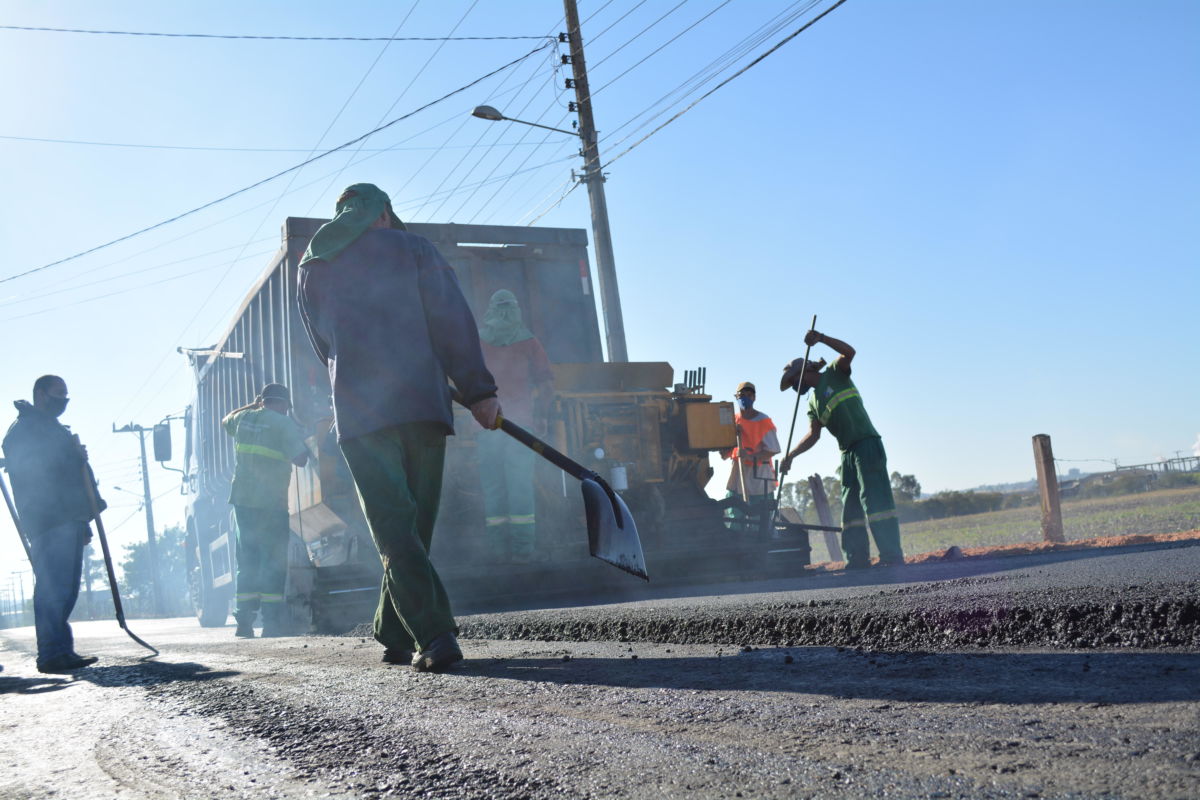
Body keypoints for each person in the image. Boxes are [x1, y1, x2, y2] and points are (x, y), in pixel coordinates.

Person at [297, 183, 500, 672]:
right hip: (423, 405)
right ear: (384, 214)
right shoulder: (415, 249)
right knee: (412, 527)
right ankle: (434, 632)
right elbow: (451, 319)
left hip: (362, 412)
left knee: (396, 528)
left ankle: (395, 629)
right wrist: (478, 390)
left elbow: (323, 344)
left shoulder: (315, 264)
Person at [2, 375, 105, 673]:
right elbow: (35, 470)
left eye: (66, 395)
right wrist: (71, 456)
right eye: (58, 394)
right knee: (53, 588)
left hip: (68, 517)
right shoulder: (23, 430)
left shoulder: (53, 429)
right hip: (48, 517)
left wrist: (83, 519)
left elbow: (71, 480)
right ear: (40, 394)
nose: (63, 401)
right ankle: (49, 654)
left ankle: (61, 650)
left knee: (67, 588)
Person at [779, 330, 904, 568]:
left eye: (794, 381)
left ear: (804, 372)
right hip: (847, 454)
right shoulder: (813, 402)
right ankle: (857, 560)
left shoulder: (835, 374)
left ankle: (891, 557)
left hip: (866, 443)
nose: (795, 387)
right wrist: (791, 455)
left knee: (876, 503)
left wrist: (822, 339)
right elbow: (813, 435)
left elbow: (850, 352)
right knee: (852, 508)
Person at [222, 383, 310, 638]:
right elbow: (301, 460)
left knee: (247, 560)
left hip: (243, 502)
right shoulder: (284, 424)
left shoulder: (243, 418)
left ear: (263, 400)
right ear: (284, 405)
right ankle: (271, 623)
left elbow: (224, 419)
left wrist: (253, 404)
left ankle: (244, 623)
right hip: (271, 505)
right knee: (272, 560)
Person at [477, 290, 555, 564]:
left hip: (485, 426)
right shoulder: (528, 342)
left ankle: (498, 549)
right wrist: (542, 416)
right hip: (520, 426)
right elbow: (546, 384)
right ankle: (523, 549)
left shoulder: (479, 342)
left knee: (493, 486)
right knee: (520, 484)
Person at [719, 382, 781, 532]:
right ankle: (736, 547)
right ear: (736, 397)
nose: (746, 398)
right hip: (738, 474)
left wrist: (750, 455)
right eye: (742, 395)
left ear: (754, 397)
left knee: (759, 519)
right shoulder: (732, 420)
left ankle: (760, 549)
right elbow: (723, 454)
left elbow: (773, 449)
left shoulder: (763, 421)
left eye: (749, 395)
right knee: (735, 515)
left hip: (759, 475)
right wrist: (731, 435)